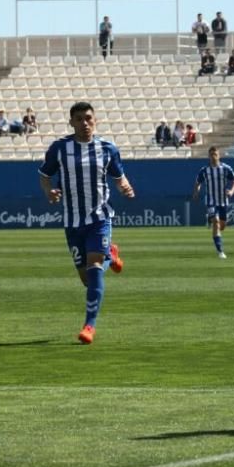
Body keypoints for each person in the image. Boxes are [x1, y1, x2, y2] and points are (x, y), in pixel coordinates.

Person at [38, 102, 135, 344]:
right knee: (87, 279)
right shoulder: (60, 148)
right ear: (71, 122)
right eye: (79, 119)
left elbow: (120, 177)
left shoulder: (107, 148)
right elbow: (44, 175)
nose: (84, 123)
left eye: (88, 118)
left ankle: (89, 326)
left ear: (96, 120)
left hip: (99, 218)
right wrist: (49, 192)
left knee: (93, 269)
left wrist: (125, 187)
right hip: (72, 222)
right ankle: (110, 255)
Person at [193, 146, 234, 259]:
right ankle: (220, 251)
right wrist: (196, 192)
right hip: (211, 200)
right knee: (216, 223)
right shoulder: (204, 170)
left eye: (215, 154)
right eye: (211, 154)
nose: (213, 156)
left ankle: (210, 218)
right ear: (209, 156)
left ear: (219, 155)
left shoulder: (225, 168)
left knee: (222, 226)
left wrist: (232, 191)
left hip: (223, 201)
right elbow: (198, 182)